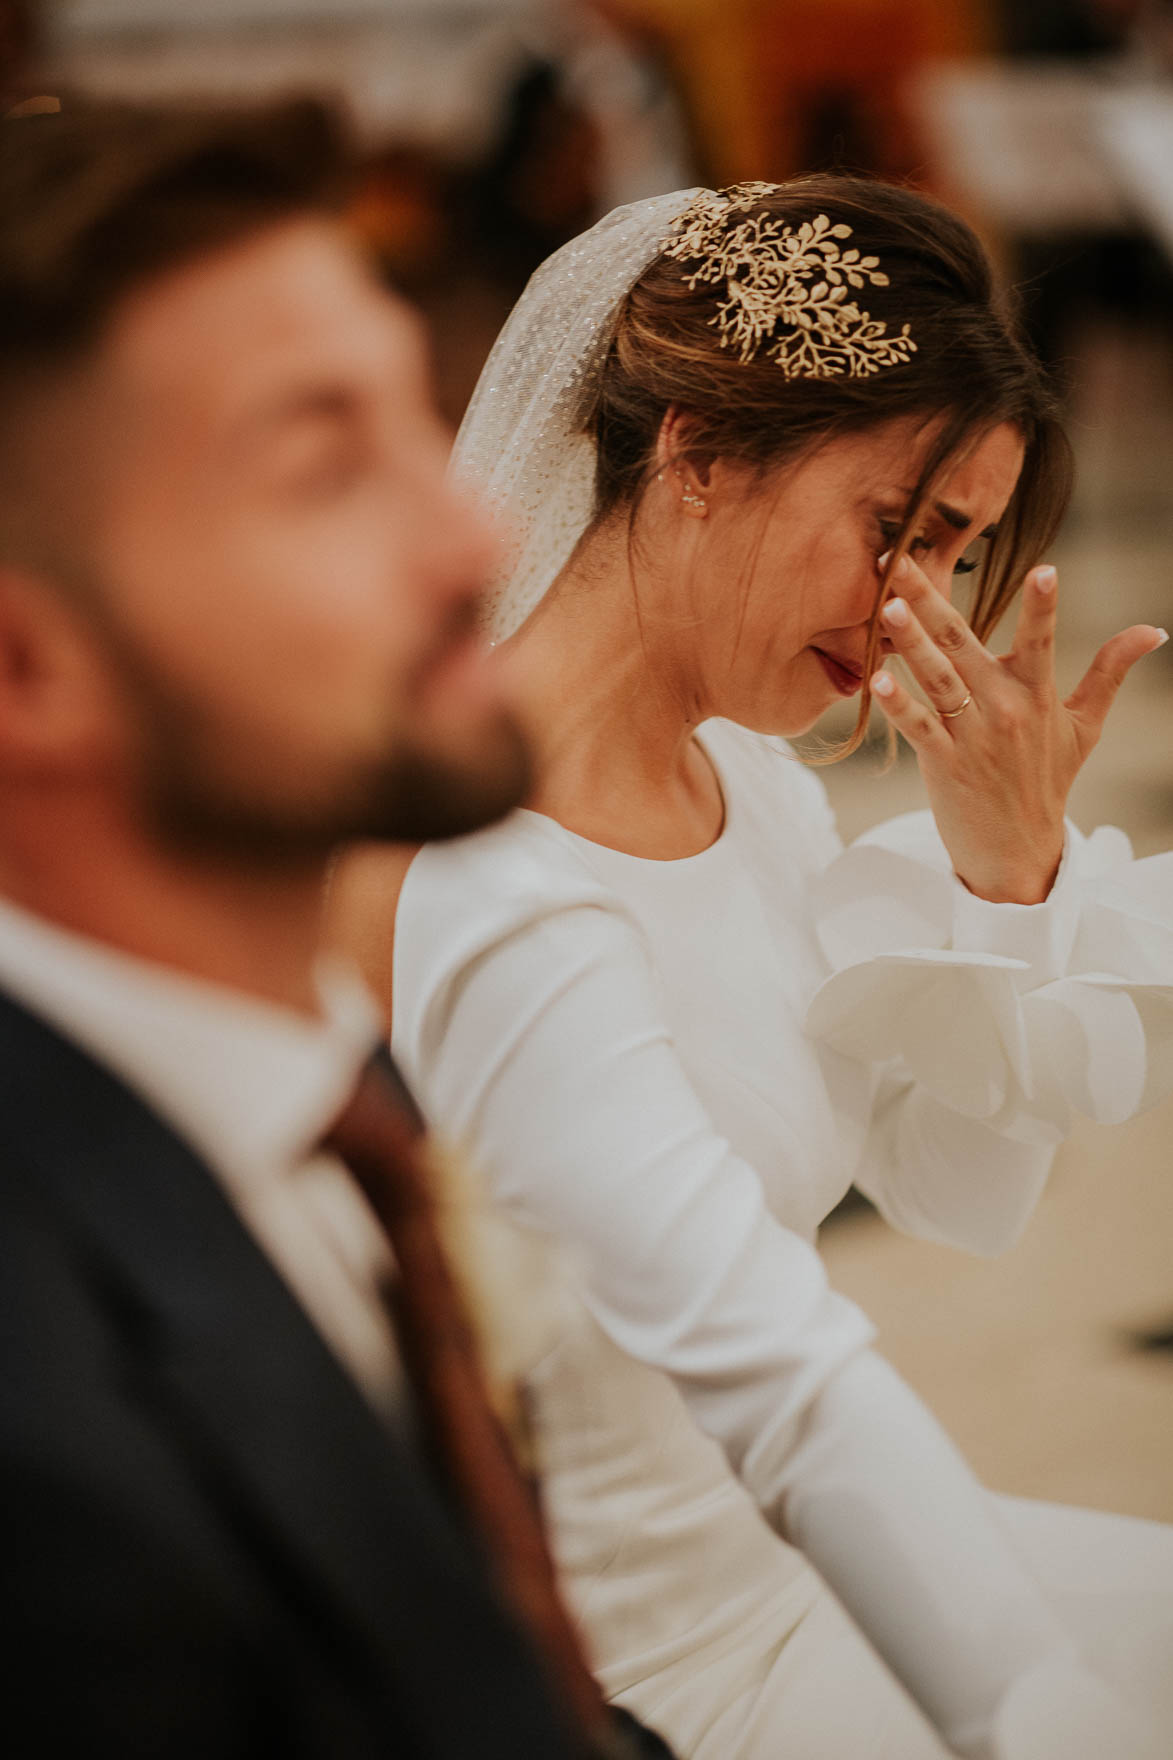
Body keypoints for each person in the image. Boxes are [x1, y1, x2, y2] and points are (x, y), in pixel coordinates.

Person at [333, 179, 1173, 1759]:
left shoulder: (758, 792)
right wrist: (1023, 1714)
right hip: (653, 1681)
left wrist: (1005, 878)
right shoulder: (487, 881)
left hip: (809, 1573)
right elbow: (772, 1370)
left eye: (956, 553)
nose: (917, 607)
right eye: (896, 532)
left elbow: (937, 1189)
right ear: (699, 452)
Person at [0, 96, 674, 1760]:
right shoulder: (43, 1473)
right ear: (24, 668)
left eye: (413, 419)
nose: (475, 536)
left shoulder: (307, 1083)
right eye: (322, 467)